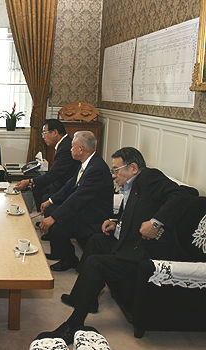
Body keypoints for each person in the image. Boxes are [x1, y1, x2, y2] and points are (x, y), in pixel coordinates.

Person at [40, 147, 191, 345]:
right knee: (96, 240)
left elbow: (182, 195)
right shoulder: (132, 185)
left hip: (147, 253)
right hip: (131, 243)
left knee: (96, 263)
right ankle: (86, 297)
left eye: (116, 170)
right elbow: (135, 210)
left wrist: (156, 223)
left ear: (134, 167)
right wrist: (115, 222)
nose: (113, 175)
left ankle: (74, 324)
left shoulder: (149, 177)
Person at [39, 131, 114, 272]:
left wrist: (54, 218)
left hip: (93, 217)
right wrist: (50, 200)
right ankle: (58, 252)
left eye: (72, 147)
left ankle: (69, 259)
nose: (70, 149)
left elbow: (78, 198)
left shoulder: (96, 169)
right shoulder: (87, 162)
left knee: (57, 225)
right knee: (52, 209)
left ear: (81, 149)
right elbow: (70, 185)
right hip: (84, 208)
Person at [15, 119, 80, 215]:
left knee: (37, 186)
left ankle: (46, 216)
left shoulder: (65, 148)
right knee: (36, 186)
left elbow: (53, 174)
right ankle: (43, 216)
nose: (43, 137)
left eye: (45, 133)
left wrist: (29, 181)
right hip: (62, 180)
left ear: (55, 132)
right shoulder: (64, 143)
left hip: (66, 185)